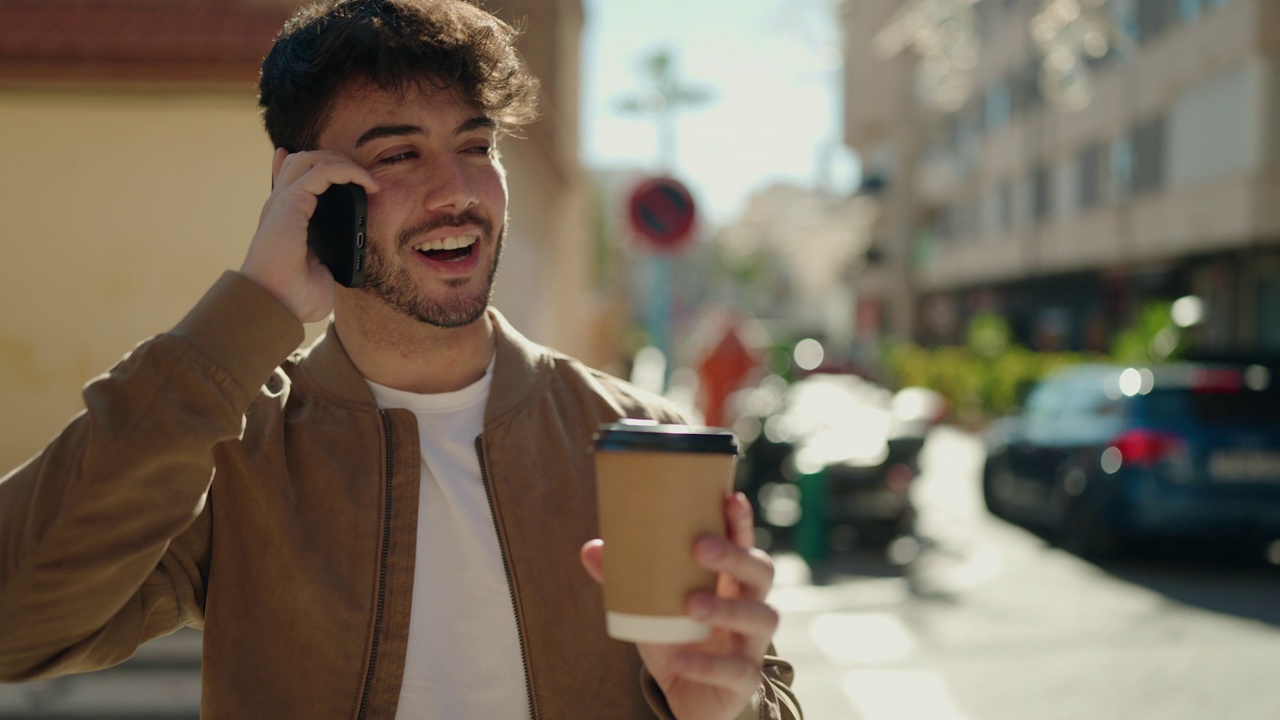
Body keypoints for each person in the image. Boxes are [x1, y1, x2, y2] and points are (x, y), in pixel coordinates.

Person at [0, 1, 801, 718]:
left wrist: (719, 713)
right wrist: (248, 312)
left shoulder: (638, 438)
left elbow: (756, 690)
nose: (457, 191)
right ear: (305, 189)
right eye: (397, 155)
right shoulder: (233, 451)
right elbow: (17, 626)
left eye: (475, 145)